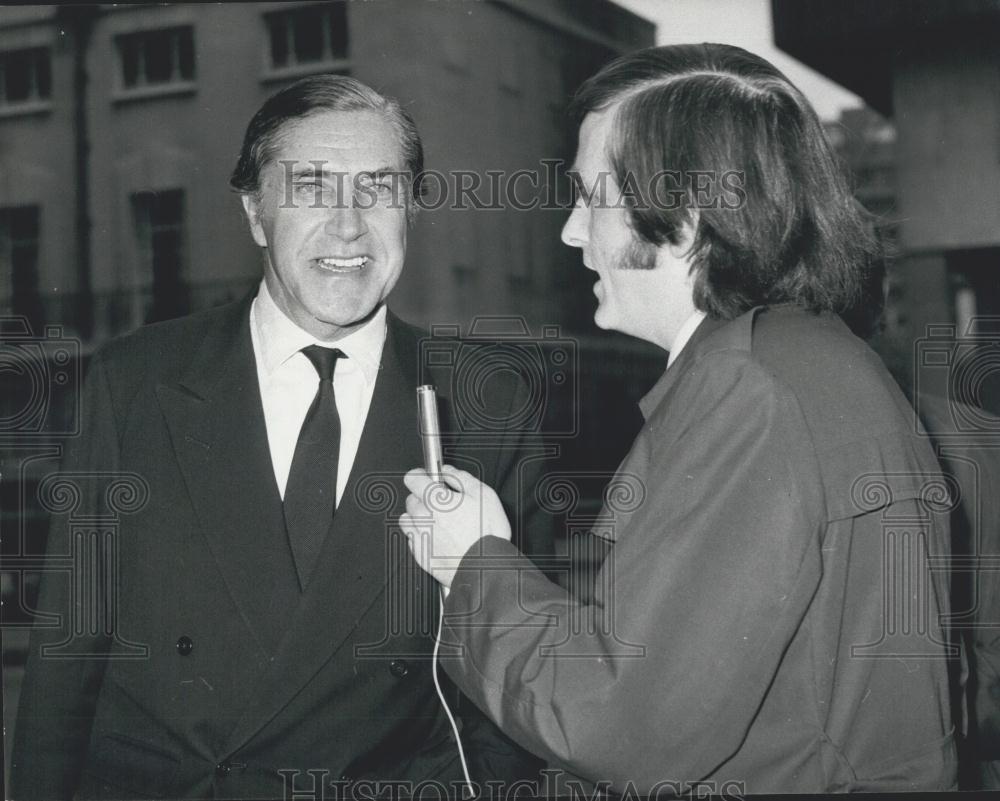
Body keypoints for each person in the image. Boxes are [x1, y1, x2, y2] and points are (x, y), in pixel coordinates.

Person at [402, 43, 958, 794]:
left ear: (688, 217)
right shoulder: (805, 360)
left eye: (590, 197)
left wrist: (473, 561)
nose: (572, 231)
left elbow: (617, 723)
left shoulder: (751, 392)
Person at [11, 75, 549, 799]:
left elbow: (515, 684)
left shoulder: (488, 406)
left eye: (379, 188)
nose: (349, 226)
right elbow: (64, 666)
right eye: (312, 187)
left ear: (412, 210)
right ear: (256, 214)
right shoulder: (134, 382)